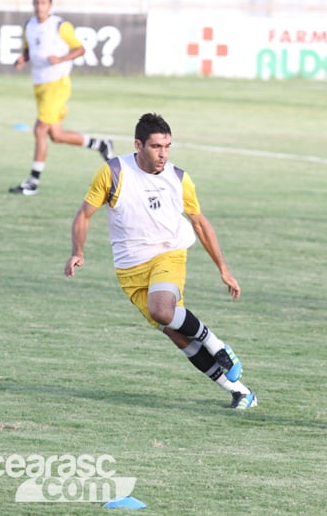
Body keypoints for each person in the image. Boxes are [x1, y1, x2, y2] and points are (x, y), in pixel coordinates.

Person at [63, 113, 256, 409]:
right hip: (130, 270)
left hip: (169, 254)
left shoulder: (179, 179)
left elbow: (200, 224)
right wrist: (78, 251)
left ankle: (218, 345)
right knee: (179, 337)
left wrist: (224, 269)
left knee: (162, 310)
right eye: (156, 146)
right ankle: (241, 392)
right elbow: (84, 215)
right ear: (138, 145)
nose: (163, 153)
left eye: (167, 146)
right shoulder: (113, 172)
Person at [10, 0, 113, 196]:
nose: (40, 7)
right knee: (56, 135)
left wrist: (61, 59)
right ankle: (100, 144)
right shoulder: (29, 26)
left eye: (43, 3)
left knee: (40, 130)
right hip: (39, 84)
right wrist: (23, 58)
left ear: (50, 5)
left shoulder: (59, 25)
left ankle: (33, 182)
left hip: (57, 83)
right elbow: (29, 49)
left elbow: (80, 49)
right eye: (36, 3)